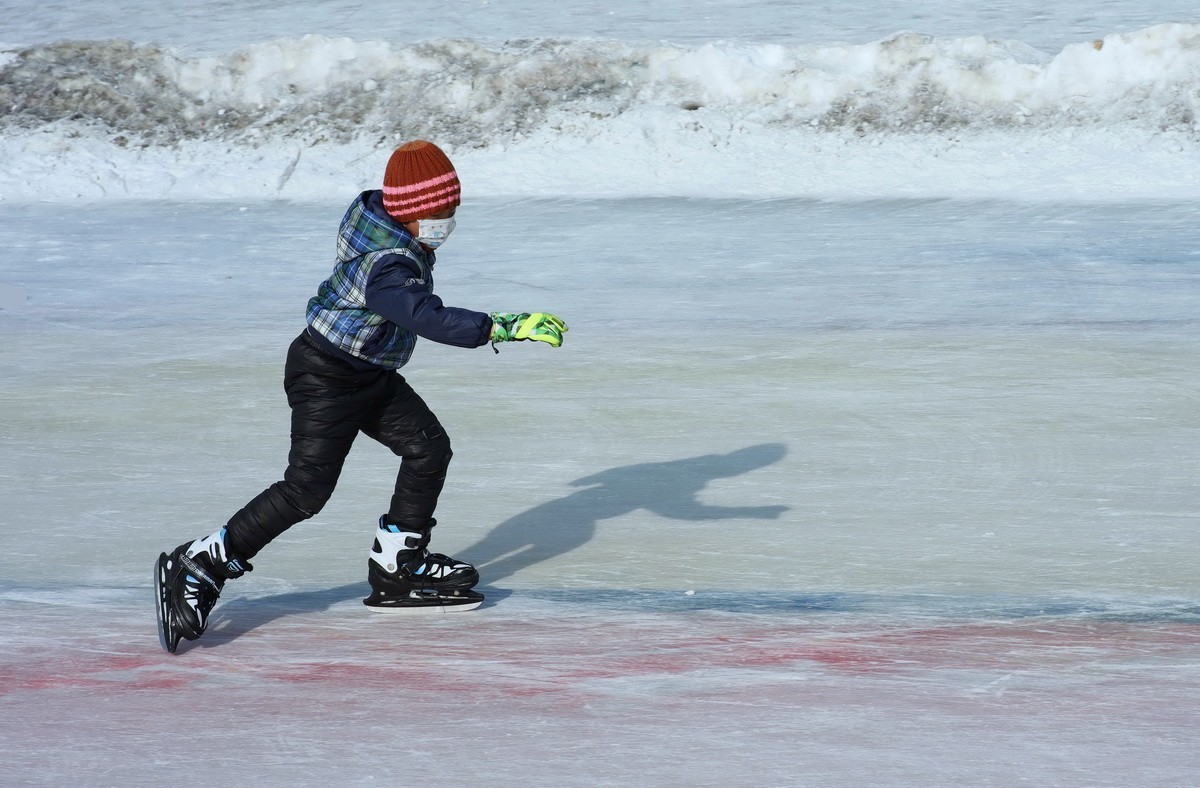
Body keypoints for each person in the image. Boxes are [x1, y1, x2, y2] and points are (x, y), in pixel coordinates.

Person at [154, 140, 567, 651]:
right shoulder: (389, 265)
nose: (449, 222)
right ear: (413, 212)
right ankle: (200, 562)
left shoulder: (386, 225)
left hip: (366, 372)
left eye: (453, 211)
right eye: (441, 213)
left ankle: (400, 566)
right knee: (306, 490)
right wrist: (500, 327)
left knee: (427, 448)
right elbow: (424, 316)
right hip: (325, 377)